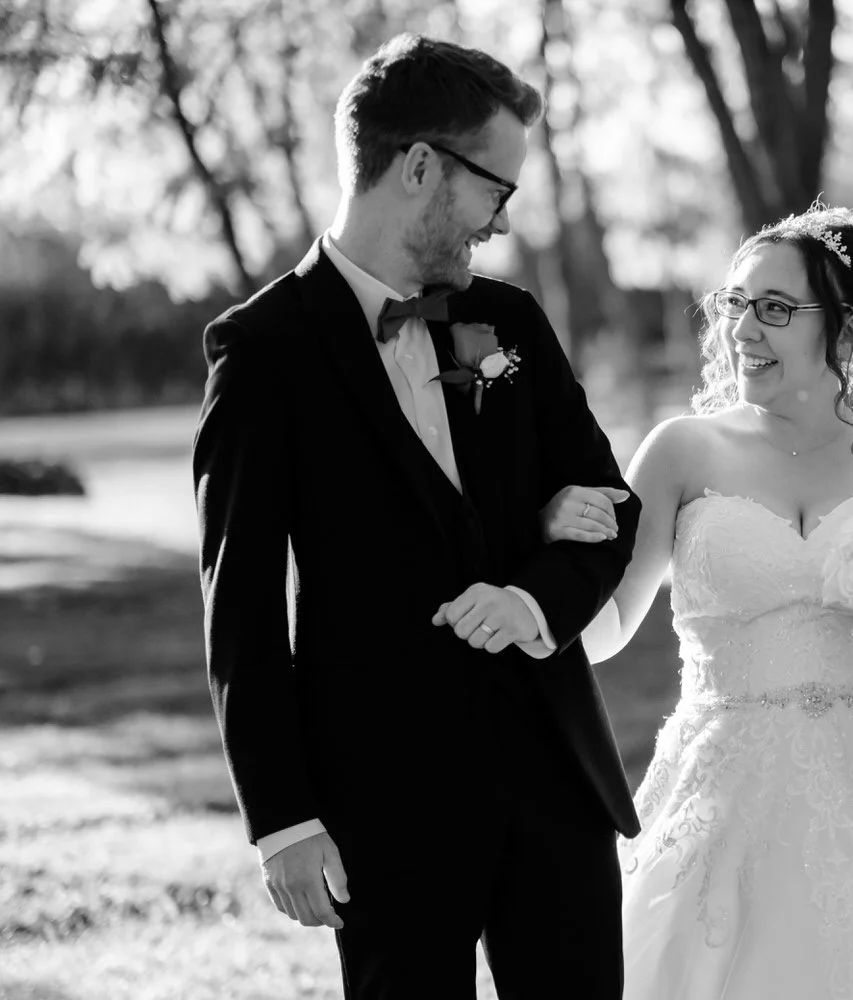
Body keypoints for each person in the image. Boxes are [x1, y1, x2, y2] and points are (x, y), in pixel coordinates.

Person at [192, 34, 639, 999]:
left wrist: (536, 601)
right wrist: (283, 818)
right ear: (422, 167)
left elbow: (613, 501)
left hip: (555, 779)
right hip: (382, 801)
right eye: (495, 190)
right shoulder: (262, 354)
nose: (500, 222)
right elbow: (242, 609)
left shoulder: (508, 322)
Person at [542, 205, 853, 999]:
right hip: (724, 791)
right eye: (735, 303)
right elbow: (604, 633)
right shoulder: (681, 450)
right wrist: (538, 567)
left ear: (845, 329)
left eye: (775, 309)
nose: (744, 328)